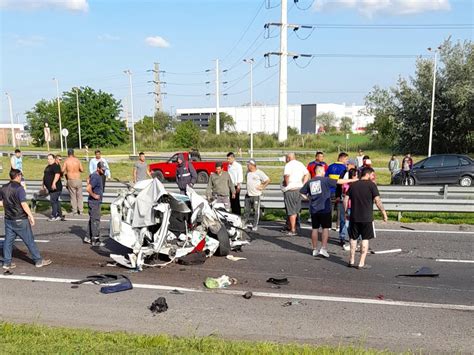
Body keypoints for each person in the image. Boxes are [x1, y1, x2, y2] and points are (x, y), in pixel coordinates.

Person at [0, 169, 52, 270]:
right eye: (21, 176)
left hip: (9, 218)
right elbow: (23, 204)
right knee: (29, 240)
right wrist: (31, 216)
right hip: (20, 218)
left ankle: (7, 262)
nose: (21, 177)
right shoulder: (19, 189)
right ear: (18, 176)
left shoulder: (4, 188)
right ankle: (38, 260)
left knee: (8, 241)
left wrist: (8, 205)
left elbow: (1, 203)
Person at [300, 166, 356, 258]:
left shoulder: (310, 182)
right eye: (323, 171)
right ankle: (323, 248)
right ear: (321, 171)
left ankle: (314, 249)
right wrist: (352, 180)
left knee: (315, 229)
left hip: (314, 209)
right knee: (325, 229)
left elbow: (302, 192)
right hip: (325, 208)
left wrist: (308, 198)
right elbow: (339, 181)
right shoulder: (326, 180)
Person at [344, 167, 388, 269]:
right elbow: (378, 201)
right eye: (372, 174)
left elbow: (346, 199)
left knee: (353, 238)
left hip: (354, 216)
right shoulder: (372, 185)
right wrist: (384, 213)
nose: (373, 176)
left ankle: (351, 260)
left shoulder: (353, 185)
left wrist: (346, 211)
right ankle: (361, 262)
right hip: (367, 217)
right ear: (368, 174)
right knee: (365, 238)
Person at [281, 153, 310, 236]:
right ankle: (294, 226)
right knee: (296, 210)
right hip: (299, 189)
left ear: (289, 158)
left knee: (291, 211)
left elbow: (286, 175)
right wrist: (303, 183)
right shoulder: (300, 164)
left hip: (291, 190)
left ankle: (293, 229)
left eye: (286, 158)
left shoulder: (288, 165)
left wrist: (286, 183)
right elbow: (307, 174)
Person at [326, 152, 349, 246]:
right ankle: (338, 226)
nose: (346, 161)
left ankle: (327, 227)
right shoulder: (344, 169)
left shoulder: (330, 166)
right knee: (341, 212)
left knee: (330, 209)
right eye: (346, 159)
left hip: (330, 191)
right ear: (342, 158)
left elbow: (326, 178)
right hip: (339, 191)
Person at [243, 159, 270, 231]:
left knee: (256, 211)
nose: (247, 166)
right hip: (248, 194)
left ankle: (255, 225)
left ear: (252, 165)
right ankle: (245, 223)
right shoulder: (248, 172)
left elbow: (267, 180)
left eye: (248, 165)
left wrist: (262, 186)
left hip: (256, 195)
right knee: (246, 210)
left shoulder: (259, 172)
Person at [85, 162, 106, 246]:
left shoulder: (94, 175)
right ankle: (95, 240)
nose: (103, 171)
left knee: (92, 219)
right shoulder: (96, 176)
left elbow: (88, 180)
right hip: (94, 202)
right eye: (102, 169)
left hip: (94, 202)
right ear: (98, 168)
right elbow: (88, 188)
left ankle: (88, 237)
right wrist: (94, 195)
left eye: (104, 170)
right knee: (96, 220)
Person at [62, 148, 84, 215]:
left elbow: (62, 170)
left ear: (68, 154)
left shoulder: (66, 161)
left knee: (73, 196)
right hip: (78, 179)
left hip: (71, 180)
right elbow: (82, 170)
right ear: (73, 153)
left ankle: (74, 210)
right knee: (80, 196)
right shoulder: (77, 160)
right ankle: (81, 210)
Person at [43, 153, 63, 222]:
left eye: (50, 159)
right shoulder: (48, 167)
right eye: (48, 159)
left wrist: (54, 183)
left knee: (53, 201)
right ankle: (59, 215)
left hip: (56, 187)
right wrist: (42, 185)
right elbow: (45, 176)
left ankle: (54, 215)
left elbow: (57, 175)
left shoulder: (55, 166)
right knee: (56, 201)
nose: (49, 160)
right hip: (50, 188)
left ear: (54, 159)